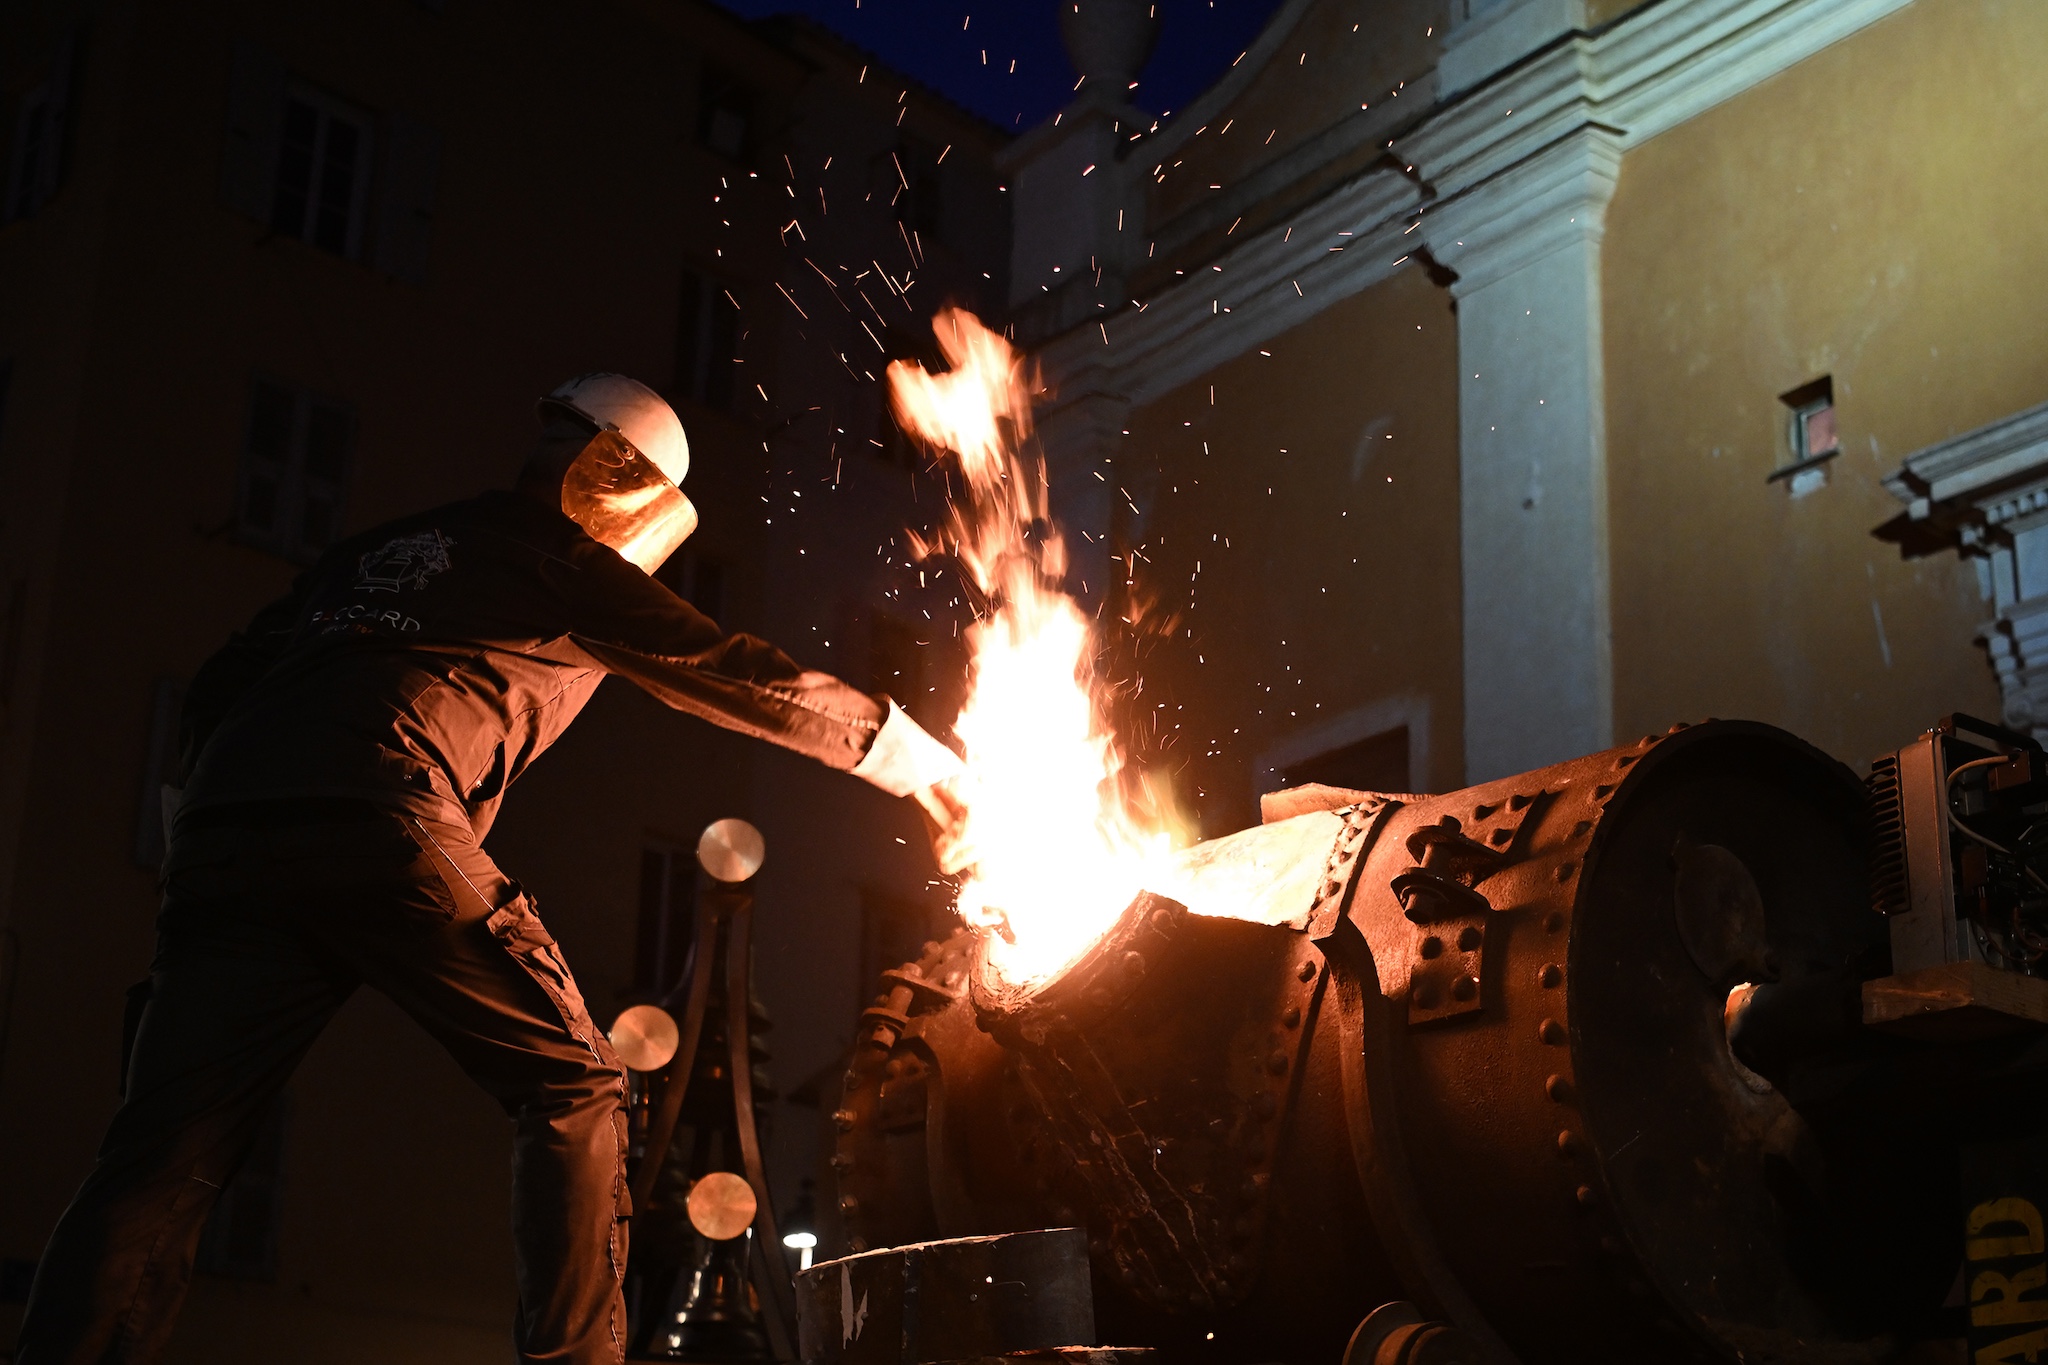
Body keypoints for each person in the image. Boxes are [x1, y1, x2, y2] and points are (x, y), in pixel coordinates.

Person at [15, 374, 967, 1365]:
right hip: (375, 807)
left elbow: (222, 683)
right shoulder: (551, 559)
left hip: (226, 841)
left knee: (162, 1161)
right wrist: (922, 766)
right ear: (619, 480)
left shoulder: (374, 553)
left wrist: (193, 841)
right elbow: (723, 669)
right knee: (576, 1086)